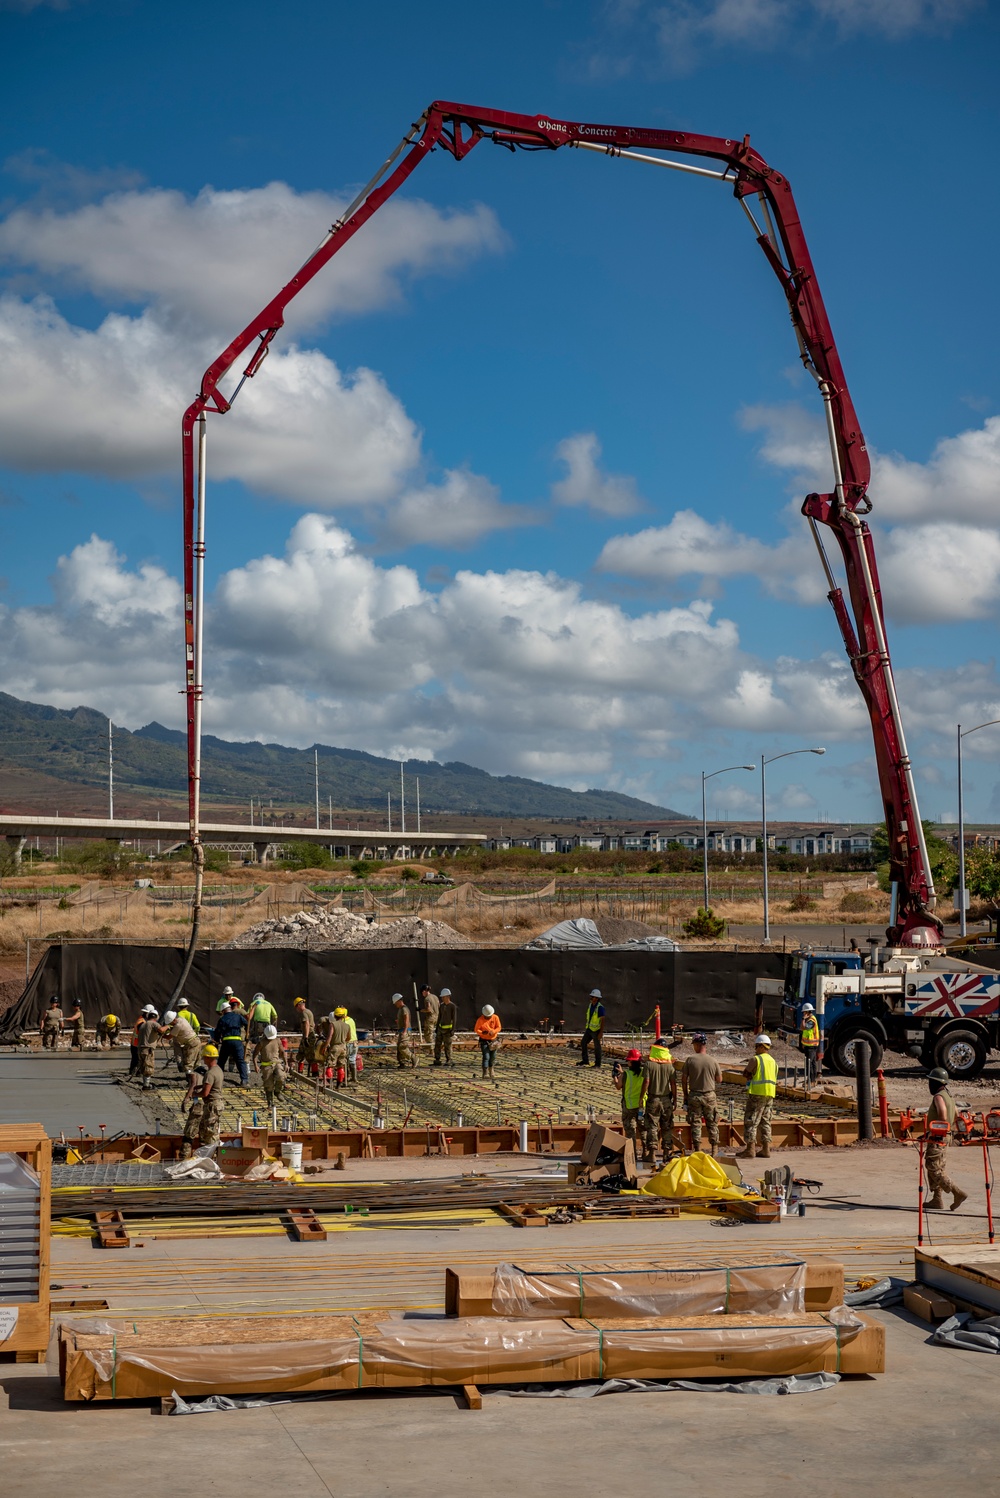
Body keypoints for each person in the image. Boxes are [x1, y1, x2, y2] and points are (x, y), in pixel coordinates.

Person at [925, 1067, 968, 1211]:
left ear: (935, 1082)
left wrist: (934, 1131)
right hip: (945, 1136)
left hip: (937, 1137)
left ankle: (957, 1192)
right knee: (939, 1166)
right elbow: (955, 1115)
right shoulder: (949, 1096)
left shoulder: (938, 1096)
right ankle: (937, 1199)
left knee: (934, 1167)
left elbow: (943, 1115)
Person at [681, 1033, 722, 1155]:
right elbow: (719, 1079)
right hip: (709, 1095)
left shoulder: (690, 1060)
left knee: (695, 1122)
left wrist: (685, 1096)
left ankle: (698, 1150)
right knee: (712, 1122)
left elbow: (684, 1079)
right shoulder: (713, 1061)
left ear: (698, 1045)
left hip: (695, 1095)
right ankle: (714, 1149)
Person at [740, 1034, 778, 1160]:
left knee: (751, 1120)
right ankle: (766, 1149)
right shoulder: (773, 1062)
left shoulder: (756, 1059)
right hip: (770, 1095)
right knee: (765, 1121)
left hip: (757, 1094)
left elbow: (746, 1073)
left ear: (762, 1046)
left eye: (756, 1046)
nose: (755, 1049)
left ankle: (750, 1150)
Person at [642, 1040, 677, 1165]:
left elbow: (646, 1082)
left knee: (652, 1126)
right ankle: (666, 1154)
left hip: (653, 1099)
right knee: (667, 1127)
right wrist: (676, 1100)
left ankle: (651, 1154)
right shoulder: (670, 1066)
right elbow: (673, 1084)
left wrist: (642, 1098)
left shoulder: (648, 1065)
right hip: (666, 1099)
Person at [613, 1048, 646, 1143]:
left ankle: (633, 1154)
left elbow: (618, 1086)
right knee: (643, 1129)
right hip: (641, 1105)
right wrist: (622, 1072)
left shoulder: (626, 1075)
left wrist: (615, 1077)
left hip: (629, 1106)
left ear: (631, 1062)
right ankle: (646, 1151)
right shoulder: (644, 1072)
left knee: (630, 1131)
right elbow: (635, 1077)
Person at [214, 997, 249, 1085]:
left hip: (226, 1042)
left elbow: (217, 1032)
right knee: (240, 1061)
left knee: (221, 1061)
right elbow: (247, 1023)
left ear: (223, 1011)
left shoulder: (222, 1019)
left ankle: (218, 1079)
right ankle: (244, 1080)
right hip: (237, 1042)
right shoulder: (238, 1016)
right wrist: (248, 1034)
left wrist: (217, 1042)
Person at [159, 1009, 201, 1078]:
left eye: (170, 1022)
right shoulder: (181, 1019)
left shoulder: (177, 1026)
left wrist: (161, 1034)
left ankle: (190, 1080)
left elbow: (169, 1037)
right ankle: (199, 1078)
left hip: (191, 1043)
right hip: (195, 1041)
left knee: (188, 1064)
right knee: (196, 1063)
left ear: (172, 1020)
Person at [253, 1024, 286, 1108]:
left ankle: (277, 1091)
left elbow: (283, 1052)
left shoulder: (277, 1040)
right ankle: (270, 1102)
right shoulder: (262, 1042)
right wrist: (256, 1065)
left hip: (276, 1063)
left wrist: (286, 1063)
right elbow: (255, 1054)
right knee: (268, 1085)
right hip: (266, 1065)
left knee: (281, 1076)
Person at [324, 1009, 352, 1089]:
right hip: (343, 1048)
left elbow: (329, 1037)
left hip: (334, 1047)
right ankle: (339, 1085)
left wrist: (325, 1046)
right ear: (343, 1016)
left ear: (335, 1016)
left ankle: (329, 1085)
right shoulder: (347, 1026)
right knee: (340, 1066)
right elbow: (348, 1038)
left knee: (330, 1065)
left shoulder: (332, 1024)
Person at [135, 1007, 161, 1090]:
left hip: (140, 1048)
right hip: (148, 1049)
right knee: (148, 1067)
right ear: (156, 1017)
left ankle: (145, 1083)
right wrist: (168, 1026)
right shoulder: (153, 1023)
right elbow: (161, 1030)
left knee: (143, 1066)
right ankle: (146, 1086)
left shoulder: (144, 1024)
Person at [579, 989, 605, 1069]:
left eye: (593, 997)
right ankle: (585, 1060)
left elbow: (602, 1020)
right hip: (589, 1029)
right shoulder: (591, 1005)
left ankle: (598, 1064)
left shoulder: (600, 1008)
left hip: (596, 1030)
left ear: (597, 998)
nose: (591, 998)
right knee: (583, 1042)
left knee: (597, 1047)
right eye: (591, 996)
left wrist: (601, 1032)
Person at [474, 1004, 502, 1081]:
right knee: (486, 1056)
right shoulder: (480, 1020)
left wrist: (494, 1031)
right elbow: (476, 1029)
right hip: (484, 1041)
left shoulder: (495, 1017)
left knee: (493, 1056)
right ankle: (485, 1072)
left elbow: (499, 1027)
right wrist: (482, 1033)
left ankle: (491, 1069)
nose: (488, 1017)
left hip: (493, 1040)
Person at [799, 1002, 821, 1086]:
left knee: (810, 1063)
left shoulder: (811, 1020)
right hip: (809, 1045)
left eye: (804, 1012)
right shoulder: (809, 1019)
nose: (803, 1013)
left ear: (807, 1012)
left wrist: (803, 1019)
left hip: (812, 1046)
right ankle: (812, 1080)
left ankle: (811, 1081)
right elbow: (803, 1030)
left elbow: (803, 1027)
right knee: (811, 1063)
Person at [434, 988, 456, 1067]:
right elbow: (439, 1017)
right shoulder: (442, 1006)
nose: (442, 998)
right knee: (437, 1044)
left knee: (448, 1045)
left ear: (448, 997)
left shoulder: (452, 1006)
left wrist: (452, 1030)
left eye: (443, 997)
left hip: (448, 1030)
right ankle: (437, 1059)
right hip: (440, 1029)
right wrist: (437, 1028)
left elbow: (454, 1018)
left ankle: (449, 1059)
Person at [293, 996, 315, 1072]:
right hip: (310, 1035)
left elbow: (306, 1024)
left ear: (298, 1005)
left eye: (296, 1007)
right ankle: (302, 1071)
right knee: (303, 1054)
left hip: (308, 1036)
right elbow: (313, 1024)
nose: (296, 1010)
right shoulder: (309, 1011)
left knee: (308, 1055)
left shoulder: (304, 1013)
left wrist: (305, 1037)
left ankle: (303, 1071)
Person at [394, 993, 414, 1069]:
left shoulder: (404, 1009)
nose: (395, 1005)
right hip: (402, 1030)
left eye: (396, 1003)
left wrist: (405, 1031)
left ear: (399, 1001)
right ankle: (402, 1063)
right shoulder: (400, 1009)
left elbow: (406, 1020)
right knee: (399, 1048)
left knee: (402, 1047)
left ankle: (413, 1058)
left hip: (405, 1031)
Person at [419, 985, 440, 1049]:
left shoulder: (427, 999)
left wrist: (421, 1010)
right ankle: (436, 1048)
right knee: (435, 1034)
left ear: (424, 991)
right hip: (437, 1016)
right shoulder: (435, 997)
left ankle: (431, 1050)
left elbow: (428, 1009)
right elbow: (439, 1005)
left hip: (430, 1018)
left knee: (428, 1034)